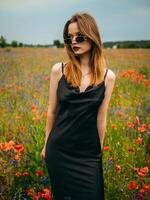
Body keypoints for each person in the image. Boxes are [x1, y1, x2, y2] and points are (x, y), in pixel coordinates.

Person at [41, 12, 116, 200]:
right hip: (59, 150)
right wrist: (45, 145)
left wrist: (97, 152)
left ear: (92, 37)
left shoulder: (108, 77)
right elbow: (51, 111)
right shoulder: (59, 70)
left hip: (89, 155)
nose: (74, 41)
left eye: (79, 37)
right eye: (69, 37)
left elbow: (101, 118)